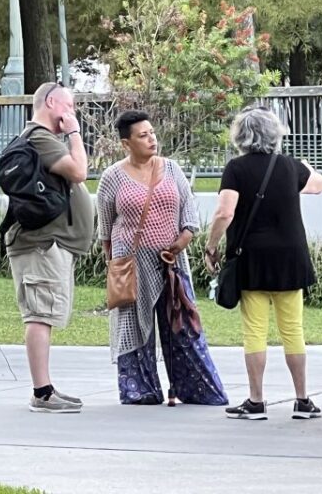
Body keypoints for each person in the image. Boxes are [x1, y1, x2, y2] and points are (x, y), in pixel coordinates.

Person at [204, 106, 322, 420]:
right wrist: (306, 165)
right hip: (290, 258)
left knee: (255, 333)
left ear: (240, 137)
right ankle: (302, 400)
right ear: (275, 135)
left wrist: (211, 245)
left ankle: (256, 401)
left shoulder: (236, 169)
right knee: (293, 331)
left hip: (252, 259)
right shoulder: (290, 166)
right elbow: (319, 184)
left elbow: (224, 213)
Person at [96, 110, 227, 406]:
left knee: (183, 328)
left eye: (152, 133)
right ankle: (140, 391)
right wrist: (116, 265)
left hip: (171, 264)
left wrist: (178, 245)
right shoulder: (112, 177)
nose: (151, 139)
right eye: (143, 135)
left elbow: (190, 218)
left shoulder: (171, 169)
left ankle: (197, 390)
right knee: (133, 331)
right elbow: (105, 230)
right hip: (131, 268)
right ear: (126, 143)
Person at [5, 82, 94, 413]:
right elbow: (79, 172)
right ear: (52, 102)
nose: (71, 114)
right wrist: (74, 133)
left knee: (45, 313)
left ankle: (46, 388)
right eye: (69, 106)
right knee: (39, 315)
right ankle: (42, 393)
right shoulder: (40, 137)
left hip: (49, 244)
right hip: (40, 245)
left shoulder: (42, 139)